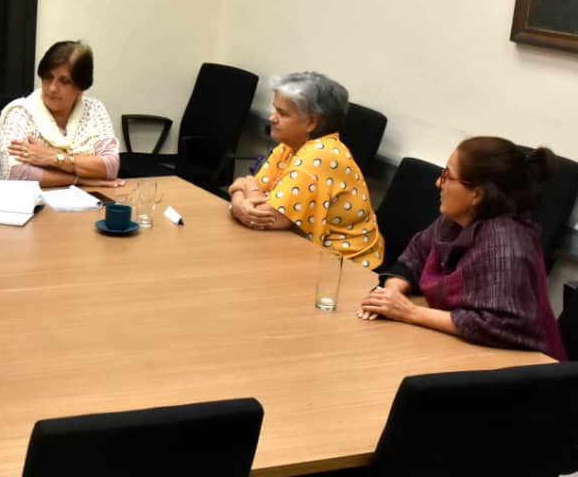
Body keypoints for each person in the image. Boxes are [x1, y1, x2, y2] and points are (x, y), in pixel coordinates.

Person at [359, 136, 566, 360]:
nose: (438, 183)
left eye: (447, 175)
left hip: (526, 368)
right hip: (459, 348)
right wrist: (391, 295)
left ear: (476, 194)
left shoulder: (506, 246)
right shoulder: (456, 219)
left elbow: (503, 325)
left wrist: (411, 312)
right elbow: (415, 257)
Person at [228, 72, 385, 269]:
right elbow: (256, 200)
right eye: (275, 109)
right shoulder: (291, 144)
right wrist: (241, 195)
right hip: (304, 252)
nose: (272, 118)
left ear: (312, 122)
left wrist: (243, 185)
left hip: (345, 268)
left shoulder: (319, 155)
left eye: (283, 113)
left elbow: (264, 217)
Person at [0, 40, 125, 188]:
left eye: (64, 81)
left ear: (81, 87)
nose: (52, 88)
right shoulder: (20, 113)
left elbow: (110, 166)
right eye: (48, 77)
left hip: (85, 201)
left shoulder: (94, 110)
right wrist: (80, 180)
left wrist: (53, 157)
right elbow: (15, 174)